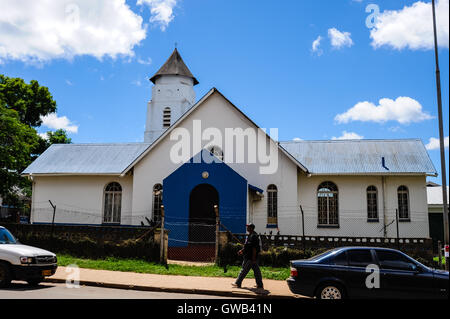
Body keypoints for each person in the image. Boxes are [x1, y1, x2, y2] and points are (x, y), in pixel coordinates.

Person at [232, 223, 263, 290]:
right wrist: (242, 250)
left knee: (244, 270)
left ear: (251, 228)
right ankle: (260, 285)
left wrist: (253, 258)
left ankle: (238, 283)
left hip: (251, 257)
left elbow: (254, 248)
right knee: (256, 271)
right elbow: (247, 246)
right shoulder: (250, 235)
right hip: (248, 256)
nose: (247, 228)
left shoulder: (254, 236)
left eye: (248, 227)